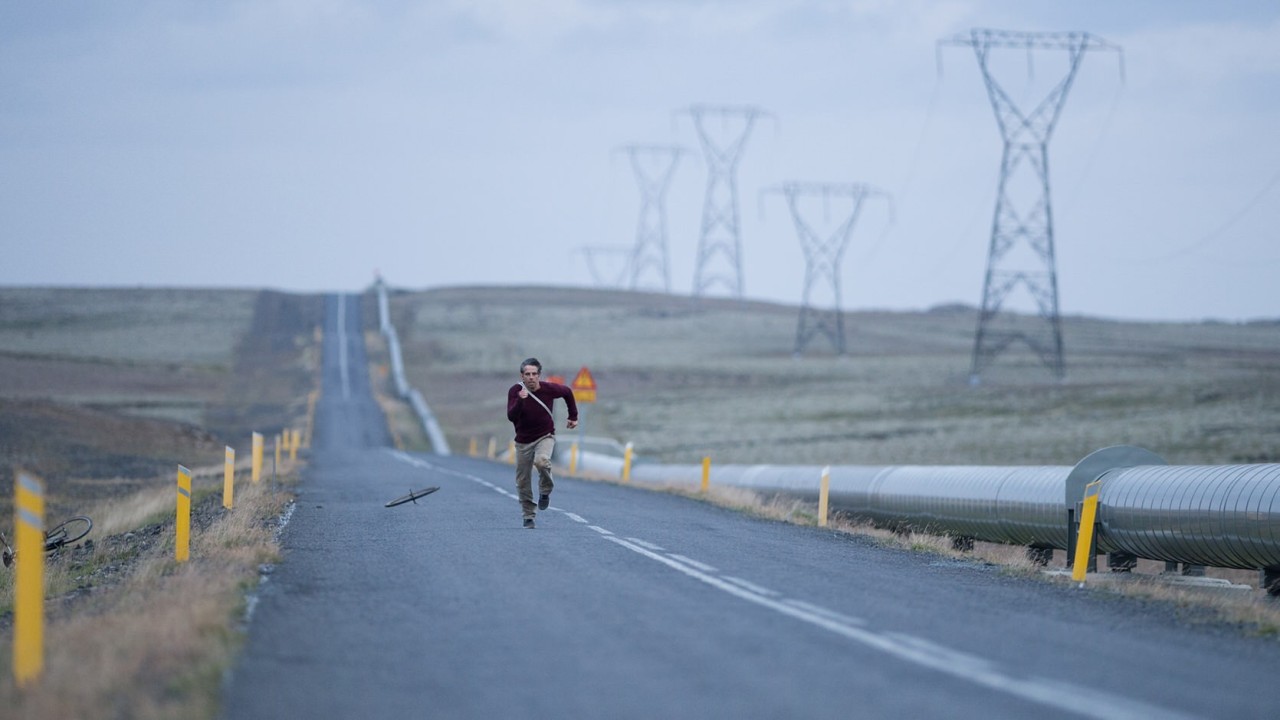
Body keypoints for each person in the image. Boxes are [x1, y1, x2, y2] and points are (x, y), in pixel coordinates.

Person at [507, 357, 578, 529]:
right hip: (523, 441)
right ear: (522, 376)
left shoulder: (549, 389)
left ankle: (545, 490)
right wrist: (520, 400)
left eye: (534, 374)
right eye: (527, 374)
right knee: (522, 480)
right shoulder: (515, 391)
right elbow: (511, 416)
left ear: (539, 375)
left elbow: (567, 392)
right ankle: (528, 516)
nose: (531, 377)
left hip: (544, 436)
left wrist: (573, 416)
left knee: (542, 461)